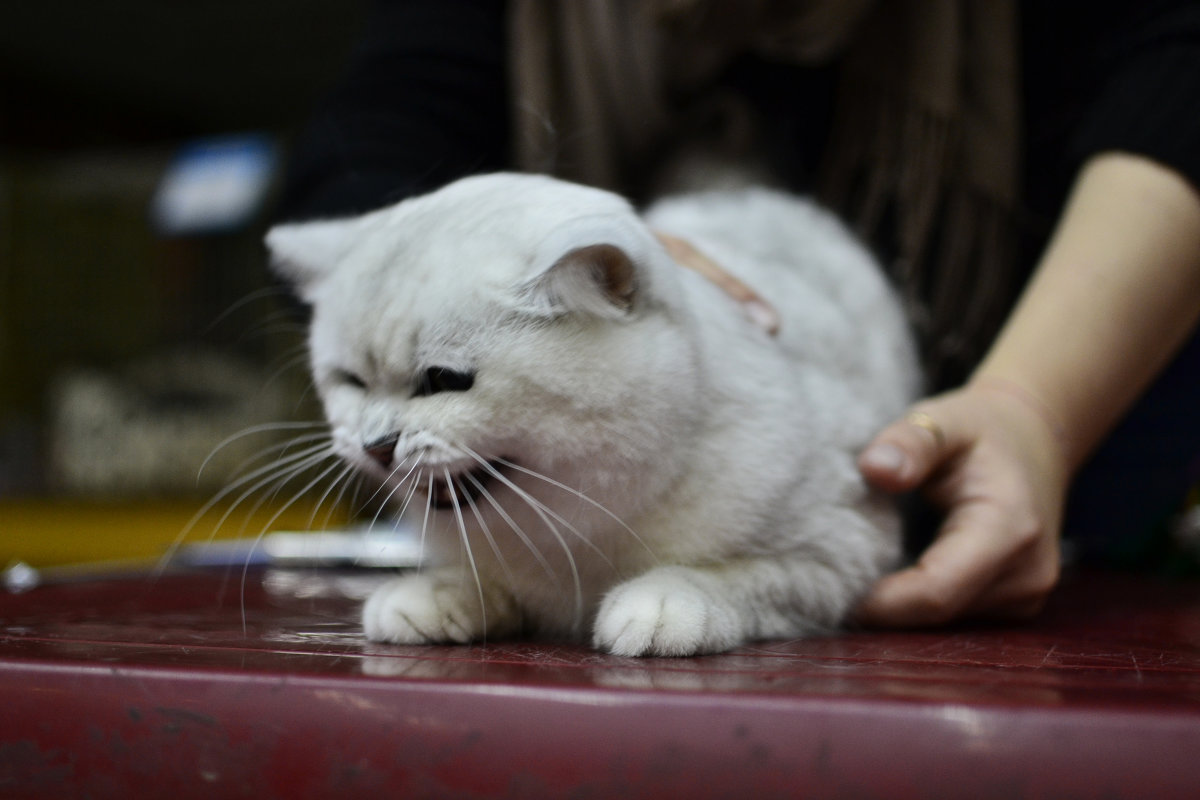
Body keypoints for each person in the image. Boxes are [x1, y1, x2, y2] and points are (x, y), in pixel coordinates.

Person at [278, 0, 1200, 627]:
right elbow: (382, 116)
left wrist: (1037, 407)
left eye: (437, 384)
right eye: (352, 384)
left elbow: (1178, 67)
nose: (378, 437)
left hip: (1069, 383)